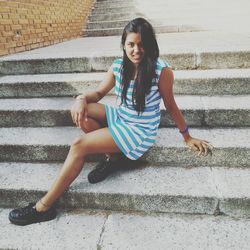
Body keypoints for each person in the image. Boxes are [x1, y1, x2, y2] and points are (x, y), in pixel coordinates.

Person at [8, 18, 212, 226]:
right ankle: (113, 158)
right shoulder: (118, 66)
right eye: (131, 44)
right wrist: (80, 99)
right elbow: (97, 93)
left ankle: (43, 207)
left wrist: (186, 136)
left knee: (79, 145)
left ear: (149, 45)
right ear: (124, 45)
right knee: (83, 112)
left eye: (141, 44)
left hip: (139, 129)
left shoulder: (161, 71)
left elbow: (170, 105)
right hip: (122, 117)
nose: (136, 50)